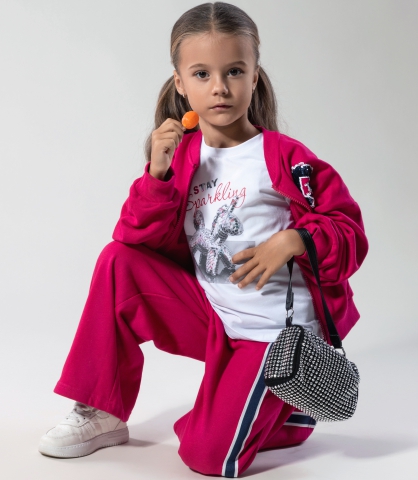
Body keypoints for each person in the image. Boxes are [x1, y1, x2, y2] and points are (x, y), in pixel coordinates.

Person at [38, 2, 368, 477]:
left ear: (254, 76)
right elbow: (135, 238)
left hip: (270, 337)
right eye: (201, 74)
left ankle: (286, 402)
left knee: (204, 456)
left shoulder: (282, 156)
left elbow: (348, 228)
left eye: (234, 71)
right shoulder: (184, 157)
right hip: (214, 318)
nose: (219, 87)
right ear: (180, 83)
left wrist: (295, 239)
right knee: (117, 261)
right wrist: (156, 176)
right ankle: (102, 411)